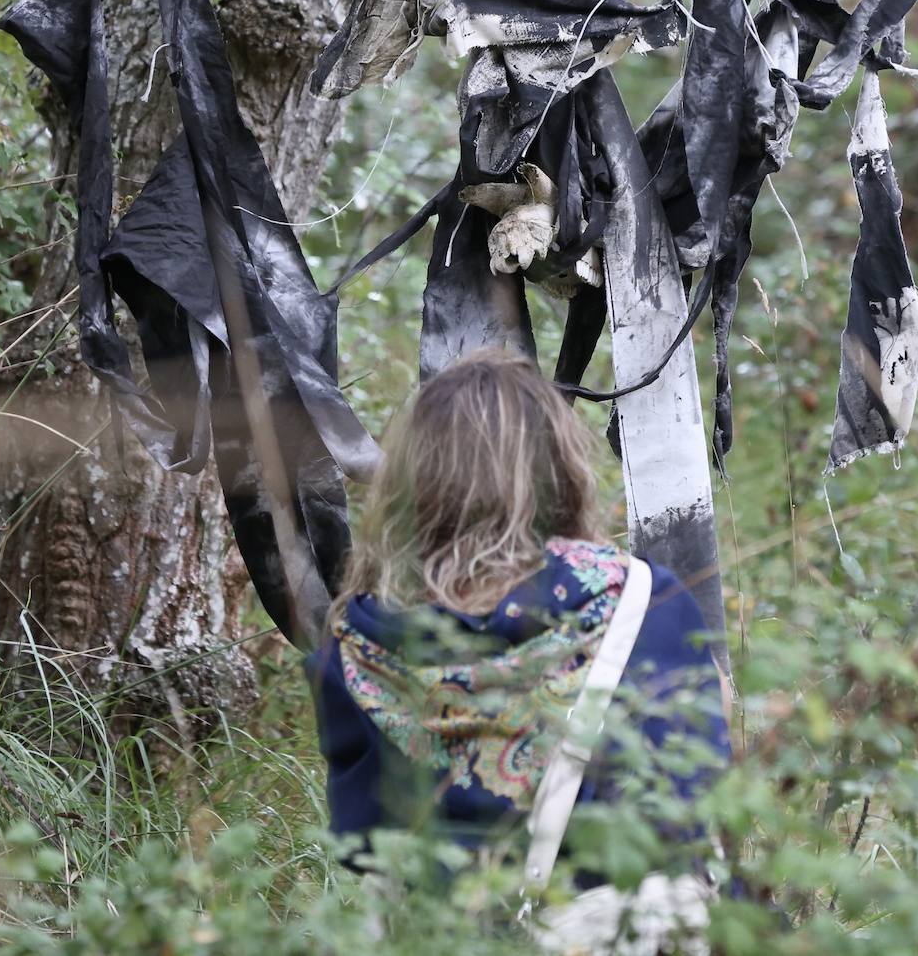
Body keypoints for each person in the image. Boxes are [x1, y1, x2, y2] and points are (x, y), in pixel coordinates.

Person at [307, 349, 731, 853]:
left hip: (443, 930)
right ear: (561, 470)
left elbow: (361, 847)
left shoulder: (355, 647)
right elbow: (701, 789)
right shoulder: (641, 600)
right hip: (622, 917)